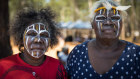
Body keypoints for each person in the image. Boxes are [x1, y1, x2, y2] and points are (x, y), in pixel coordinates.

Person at [67, 0, 140, 79]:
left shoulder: (136, 54)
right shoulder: (78, 53)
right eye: (101, 18)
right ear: (92, 24)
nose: (108, 22)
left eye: (115, 18)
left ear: (122, 23)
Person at [0, 7, 67, 79]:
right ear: (21, 39)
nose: (38, 40)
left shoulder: (57, 67)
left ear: (50, 41)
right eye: (32, 34)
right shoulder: (3, 67)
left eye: (44, 35)